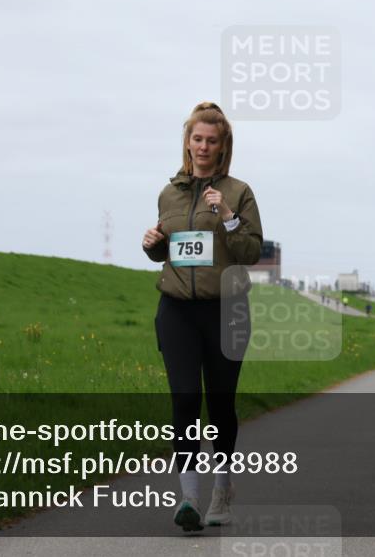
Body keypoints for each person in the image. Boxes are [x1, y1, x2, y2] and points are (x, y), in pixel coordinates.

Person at [142, 102, 263, 532]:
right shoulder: (169, 193)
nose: (203, 146)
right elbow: (170, 249)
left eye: (212, 140)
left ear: (223, 145)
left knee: (220, 404)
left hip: (225, 310)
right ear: (187, 142)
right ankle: (189, 496)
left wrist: (228, 218)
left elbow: (251, 253)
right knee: (185, 399)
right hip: (176, 309)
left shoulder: (239, 192)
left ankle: (222, 489)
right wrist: (153, 243)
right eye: (197, 139)